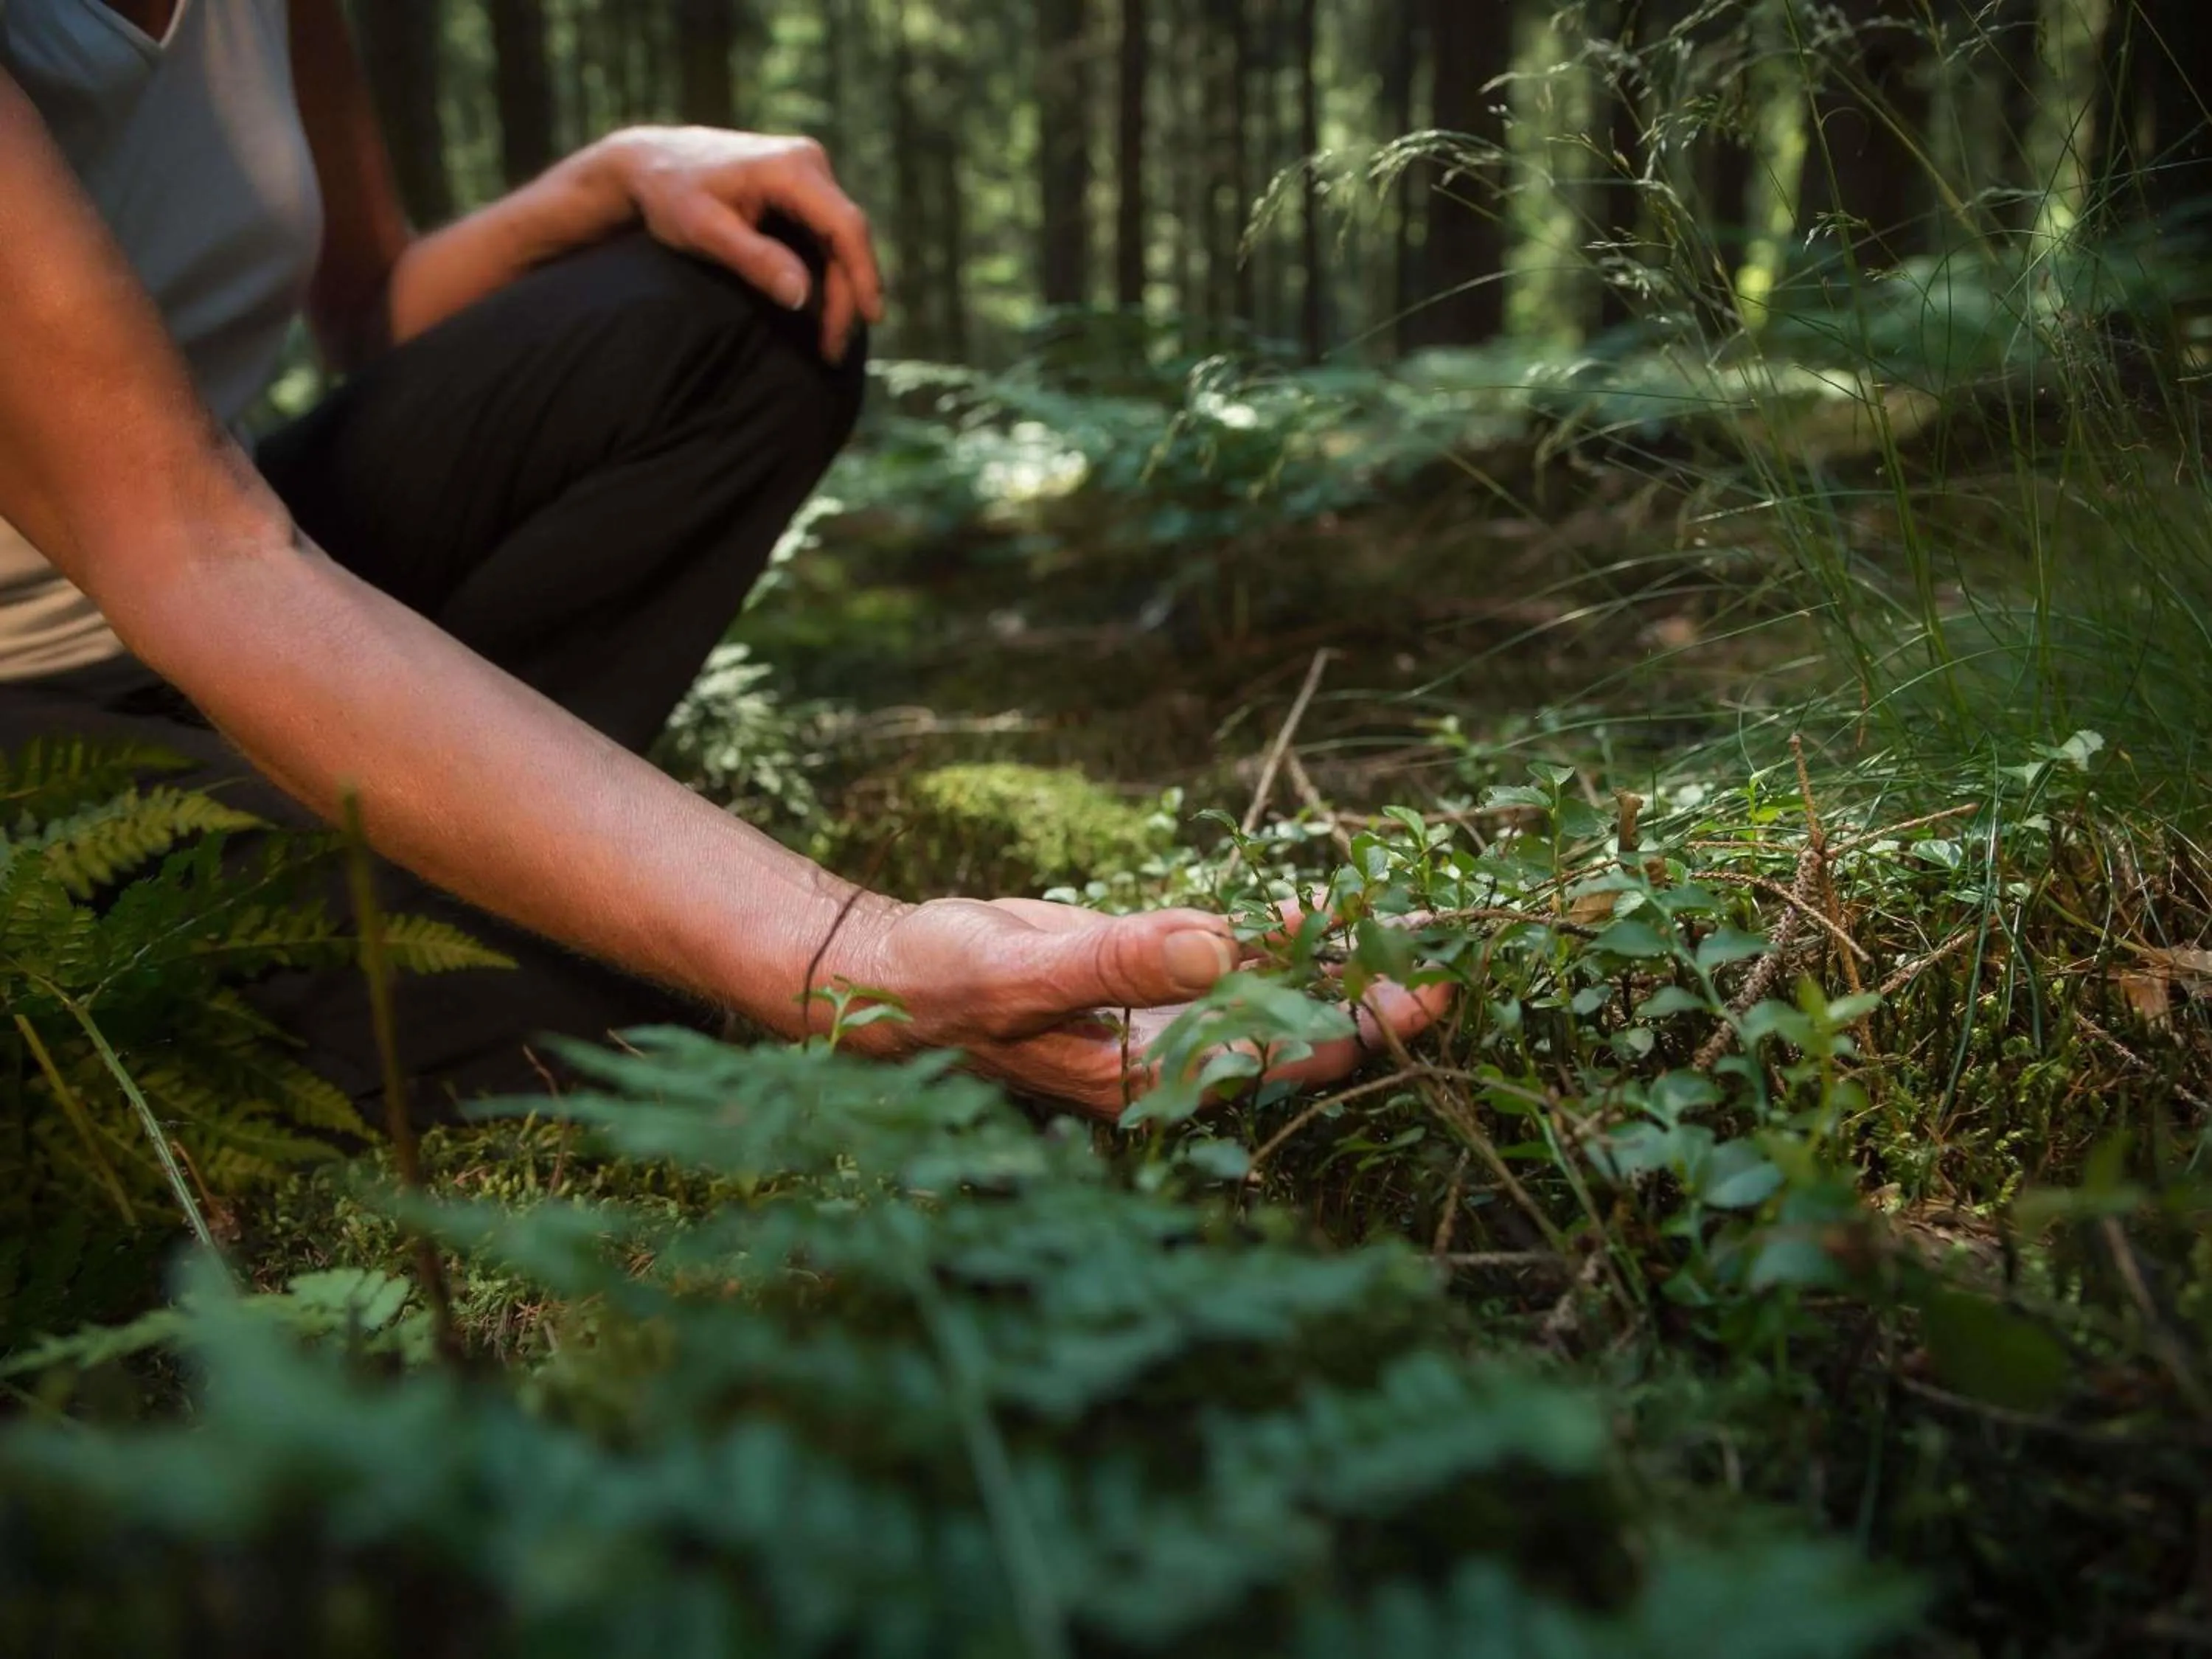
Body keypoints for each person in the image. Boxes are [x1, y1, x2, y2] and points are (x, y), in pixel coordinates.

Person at [0, 0, 1447, 1119]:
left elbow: (372, 312)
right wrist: (842, 954)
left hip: (256, 557)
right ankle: (434, 889)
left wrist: (614, 174)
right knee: (602, 1015)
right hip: (68, 686)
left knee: (754, 298)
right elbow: (194, 548)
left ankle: (462, 829)